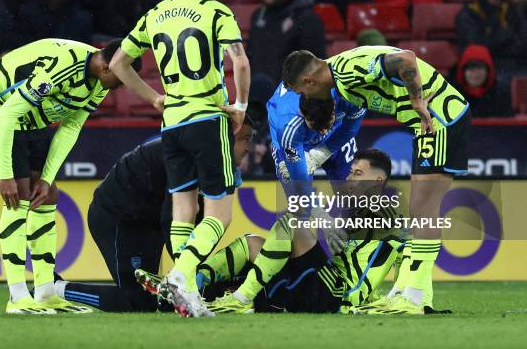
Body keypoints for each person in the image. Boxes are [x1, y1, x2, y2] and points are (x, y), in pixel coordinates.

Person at [109, 0, 251, 317]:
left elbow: (118, 63)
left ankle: (184, 292)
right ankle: (180, 275)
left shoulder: (156, 13)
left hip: (171, 123)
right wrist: (240, 106)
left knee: (183, 211)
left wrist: (154, 98)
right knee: (220, 214)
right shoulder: (217, 11)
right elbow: (240, 60)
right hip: (207, 117)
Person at [279, 45, 471, 315]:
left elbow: (406, 58)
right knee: (421, 210)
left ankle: (413, 297)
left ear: (308, 80)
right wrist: (318, 156)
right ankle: (413, 292)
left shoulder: (346, 71)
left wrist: (416, 100)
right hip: (429, 122)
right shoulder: (341, 81)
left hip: (438, 117)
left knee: (423, 210)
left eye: (301, 91)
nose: (303, 97)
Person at [0, 38, 127, 315]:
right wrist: (5, 174)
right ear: (105, 67)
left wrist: (48, 176)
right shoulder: (62, 66)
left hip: (31, 116)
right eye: (122, 76)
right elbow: (8, 114)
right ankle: (17, 296)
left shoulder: (100, 82)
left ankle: (44, 292)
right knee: (18, 194)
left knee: (48, 193)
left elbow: (71, 127)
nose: (123, 85)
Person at [54, 117, 254, 312]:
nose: (248, 148)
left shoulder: (224, 167)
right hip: (118, 216)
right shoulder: (190, 155)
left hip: (149, 221)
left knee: (158, 300)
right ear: (226, 136)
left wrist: (186, 268)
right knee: (139, 303)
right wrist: (185, 271)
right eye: (244, 138)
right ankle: (57, 289)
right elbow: (173, 217)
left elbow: (199, 219)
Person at [206, 149, 405, 314]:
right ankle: (191, 283)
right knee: (252, 242)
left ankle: (242, 297)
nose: (350, 178)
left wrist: (398, 295)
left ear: (379, 181)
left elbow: (408, 251)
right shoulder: (349, 210)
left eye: (358, 174)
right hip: (315, 286)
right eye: (350, 172)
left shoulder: (387, 213)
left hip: (337, 295)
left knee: (292, 223)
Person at [248, 0, 326, 98]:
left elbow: (314, 59)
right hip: (259, 88)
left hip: (291, 92)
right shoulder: (259, 16)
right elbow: (251, 51)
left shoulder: (307, 19)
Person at [455, 0, 527, 75]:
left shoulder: (512, 11)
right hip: (485, 69)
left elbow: (523, 43)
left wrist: (495, 43)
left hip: (517, 65)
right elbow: (476, 48)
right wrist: (506, 35)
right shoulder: (468, 15)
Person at [452, 45, 512, 118]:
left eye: (479, 68)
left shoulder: (500, 94)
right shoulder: (453, 95)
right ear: (463, 72)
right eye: (471, 68)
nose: (475, 73)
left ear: (488, 71)